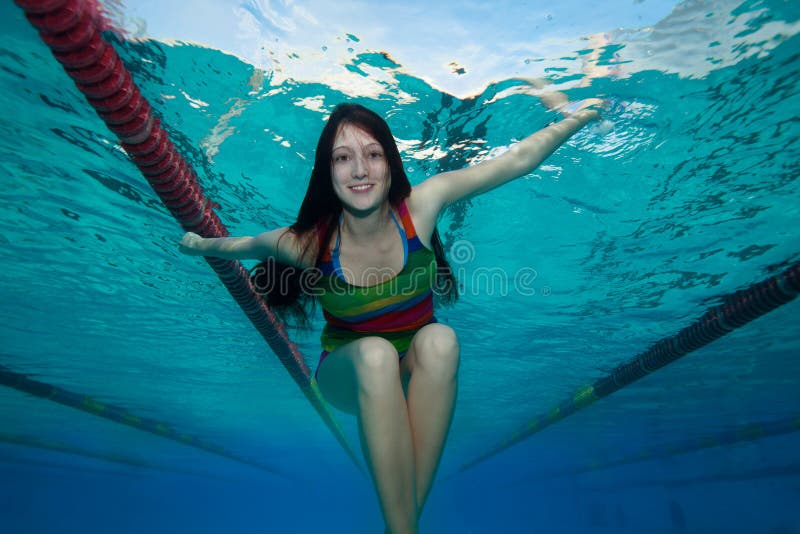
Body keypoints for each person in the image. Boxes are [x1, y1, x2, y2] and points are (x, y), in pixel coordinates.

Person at [179, 101, 599, 533]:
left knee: (441, 341)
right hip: (349, 374)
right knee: (377, 354)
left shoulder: (421, 208)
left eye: (373, 154)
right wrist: (199, 245)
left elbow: (518, 159)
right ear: (328, 171)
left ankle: (402, 527)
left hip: (412, 368)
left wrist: (580, 116)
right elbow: (244, 245)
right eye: (343, 158)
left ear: (391, 163)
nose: (360, 170)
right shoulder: (307, 244)